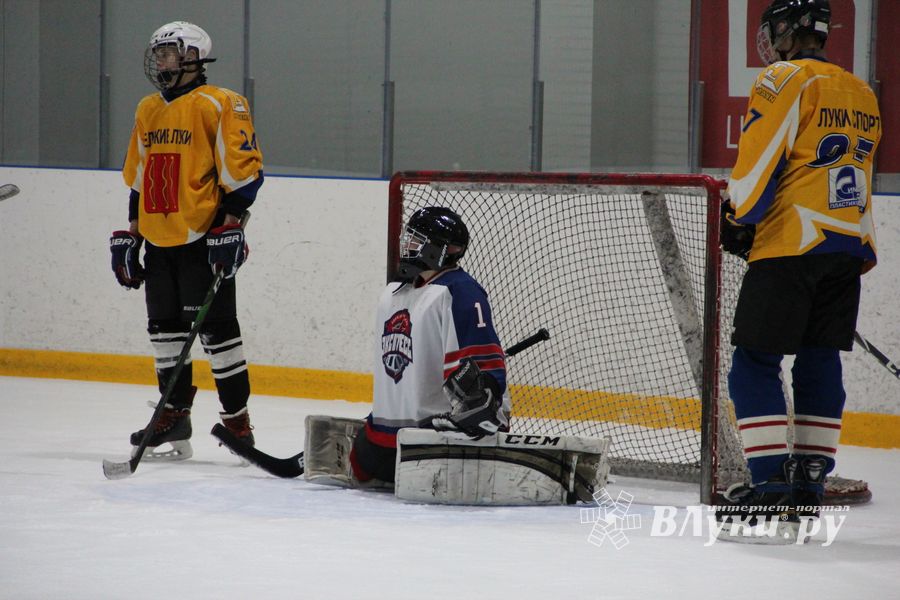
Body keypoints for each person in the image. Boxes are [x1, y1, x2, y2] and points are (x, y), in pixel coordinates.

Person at [719, 0, 881, 540]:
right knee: (818, 358)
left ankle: (769, 483)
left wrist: (740, 215)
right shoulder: (861, 91)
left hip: (792, 239)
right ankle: (810, 481)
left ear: (787, 33)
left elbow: (761, 155)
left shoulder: (783, 77)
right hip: (847, 242)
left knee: (754, 362)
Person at [110, 21, 264, 460]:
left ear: (193, 56)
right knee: (164, 333)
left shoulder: (220, 104)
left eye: (169, 52)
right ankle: (174, 416)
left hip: (204, 237)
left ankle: (237, 422)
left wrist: (230, 224)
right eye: (157, 53)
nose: (161, 61)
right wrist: (131, 234)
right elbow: (139, 180)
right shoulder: (147, 109)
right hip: (159, 238)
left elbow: (245, 173)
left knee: (219, 334)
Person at [349, 206, 510, 483]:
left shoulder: (458, 291)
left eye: (416, 240)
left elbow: (484, 383)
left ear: (439, 249)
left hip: (415, 448)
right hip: (398, 448)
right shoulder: (393, 292)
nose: (407, 245)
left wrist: (483, 397)